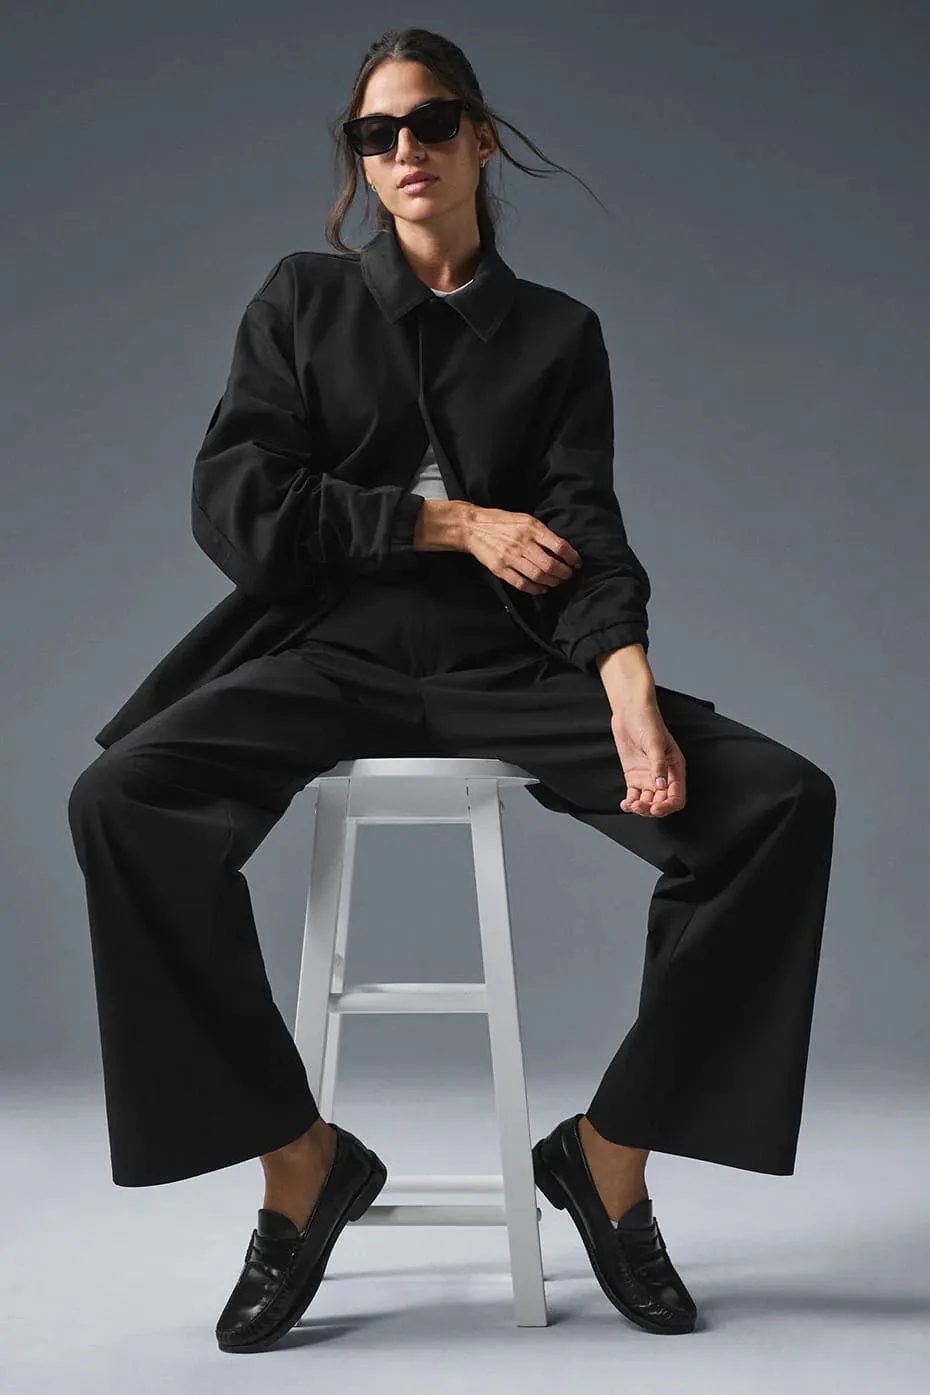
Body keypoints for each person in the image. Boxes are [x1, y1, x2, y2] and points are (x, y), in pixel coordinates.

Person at [67, 26, 837, 1353]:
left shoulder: (556, 334)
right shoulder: (303, 299)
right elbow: (241, 506)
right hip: (328, 648)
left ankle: (608, 1155)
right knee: (120, 801)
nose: (404, 150)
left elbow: (584, 530)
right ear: (360, 162)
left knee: (778, 805)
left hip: (506, 662)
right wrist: (449, 523)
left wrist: (630, 684)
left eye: (429, 123)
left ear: (481, 136)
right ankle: (300, 1163)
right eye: (376, 134)